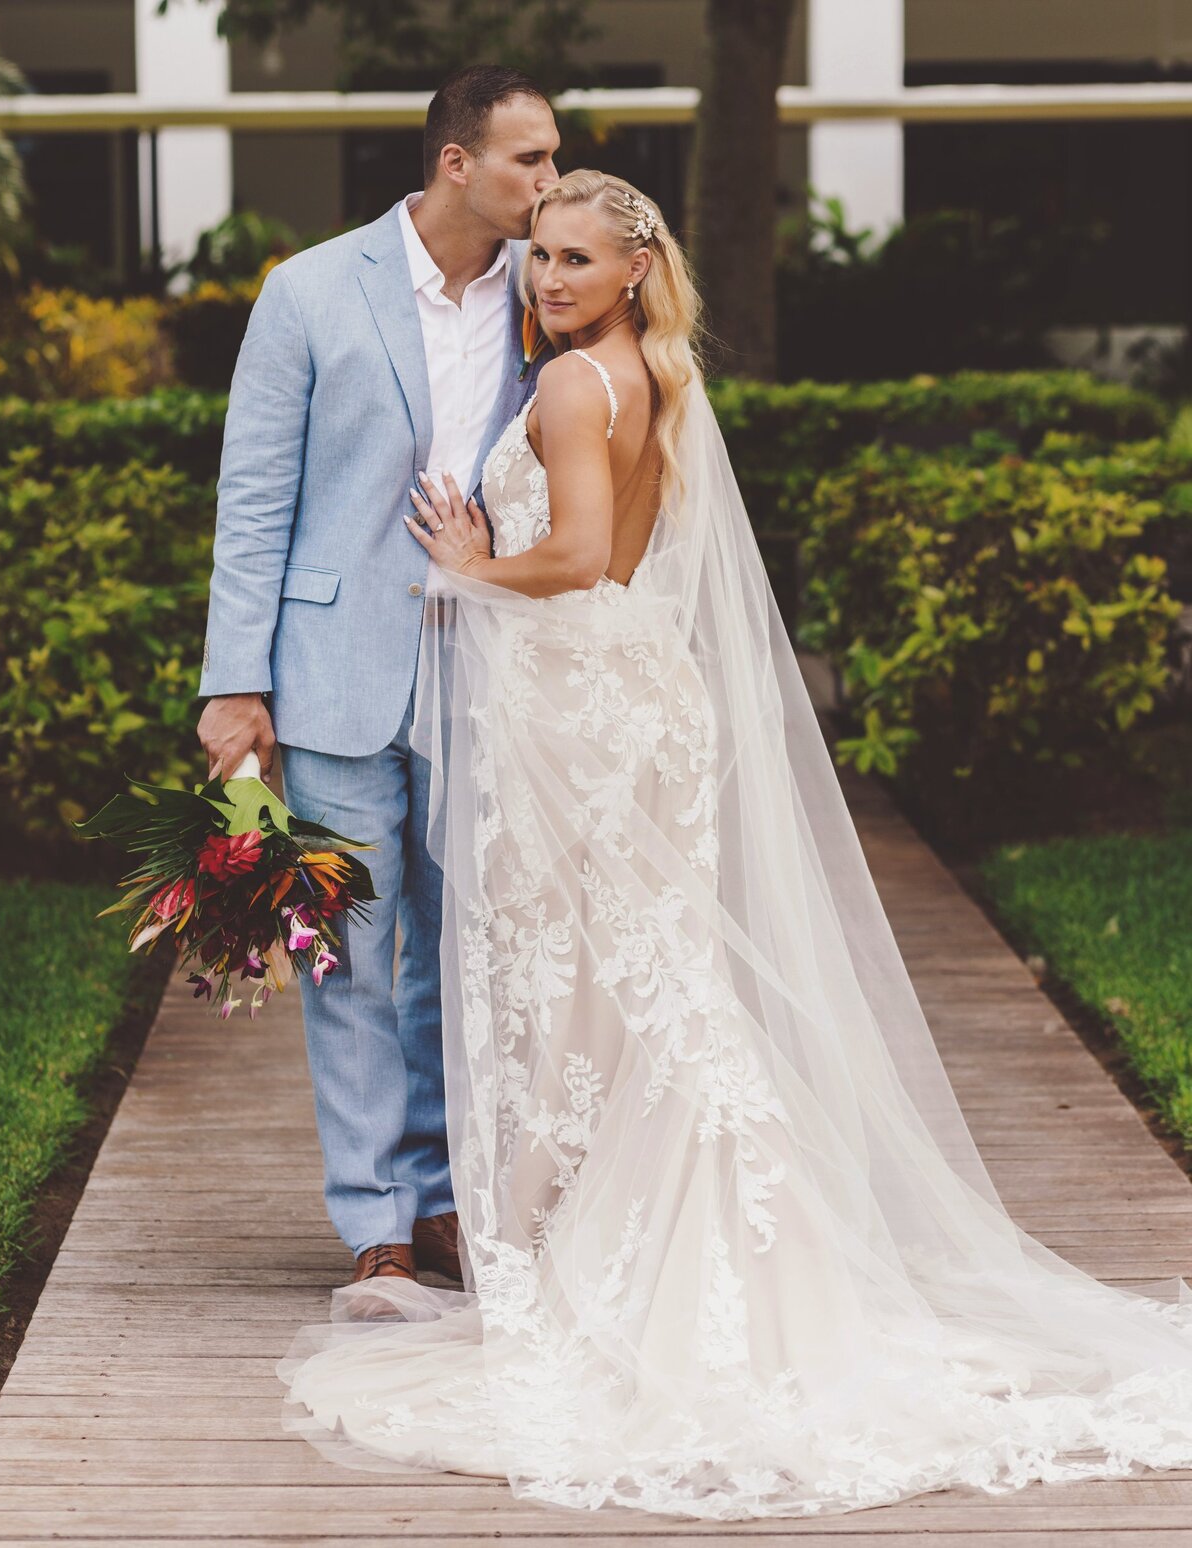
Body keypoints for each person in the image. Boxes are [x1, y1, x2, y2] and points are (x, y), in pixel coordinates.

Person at [277, 170, 1192, 1520]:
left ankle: (614, 1261)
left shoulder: (574, 389)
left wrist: (470, 564)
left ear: (637, 267)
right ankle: (673, 1244)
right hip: (637, 696)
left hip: (579, 711)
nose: (549, 281)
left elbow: (583, 554)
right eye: (539, 258)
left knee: (585, 985)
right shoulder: (660, 371)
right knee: (650, 982)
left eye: (577, 260)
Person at [196, 66, 560, 1298]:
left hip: (491, 671)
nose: (549, 184)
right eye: (530, 161)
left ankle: (453, 1197)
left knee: (467, 951)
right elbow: (255, 499)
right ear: (457, 162)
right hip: (337, 668)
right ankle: (378, 1220)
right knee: (350, 949)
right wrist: (235, 684)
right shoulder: (307, 293)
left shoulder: (546, 295)